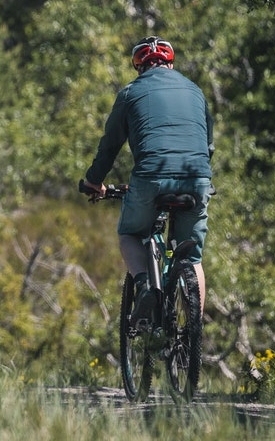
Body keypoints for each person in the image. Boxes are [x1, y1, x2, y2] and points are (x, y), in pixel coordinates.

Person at [79, 36, 213, 325]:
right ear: (171, 64)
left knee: (129, 234)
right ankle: (193, 336)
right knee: (192, 258)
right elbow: (208, 144)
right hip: (197, 177)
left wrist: (94, 182)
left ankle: (143, 286)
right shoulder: (195, 90)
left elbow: (109, 146)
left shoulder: (130, 93)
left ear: (139, 67)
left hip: (151, 177)